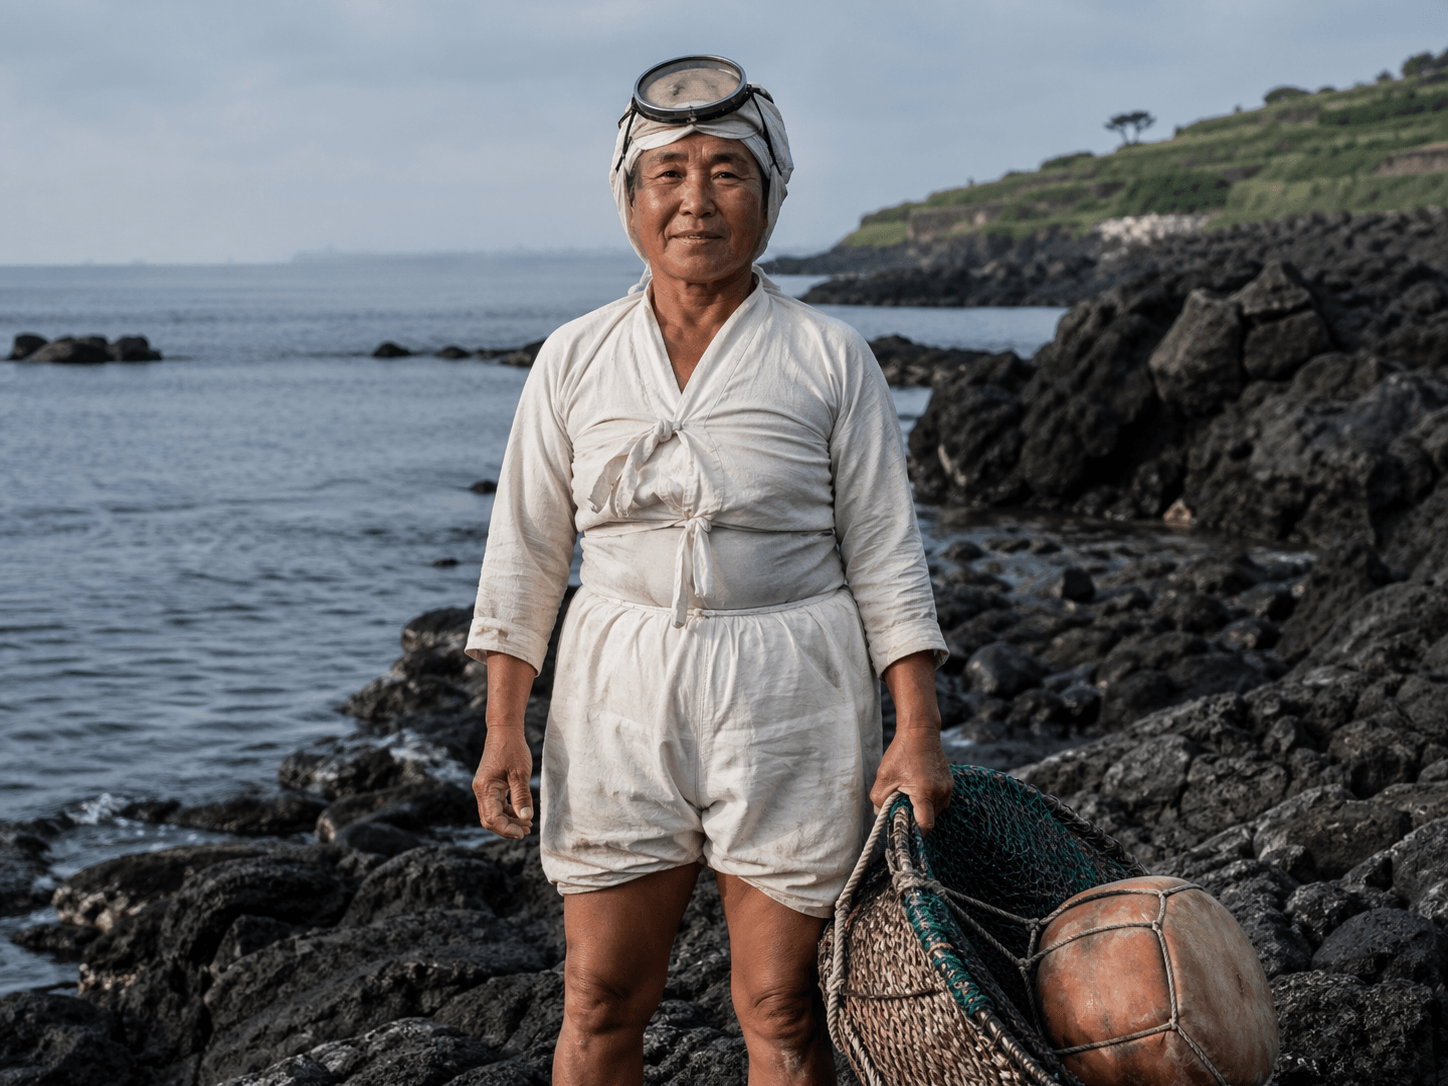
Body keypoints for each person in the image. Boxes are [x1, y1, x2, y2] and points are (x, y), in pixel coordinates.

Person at [467, 56, 952, 1086]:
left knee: (781, 1009)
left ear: (770, 194)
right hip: (613, 689)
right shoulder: (572, 358)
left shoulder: (828, 357)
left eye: (727, 172)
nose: (695, 200)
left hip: (792, 688)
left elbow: (883, 551)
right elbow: (525, 550)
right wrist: (503, 725)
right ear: (630, 199)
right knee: (598, 1000)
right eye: (668, 174)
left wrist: (915, 732)